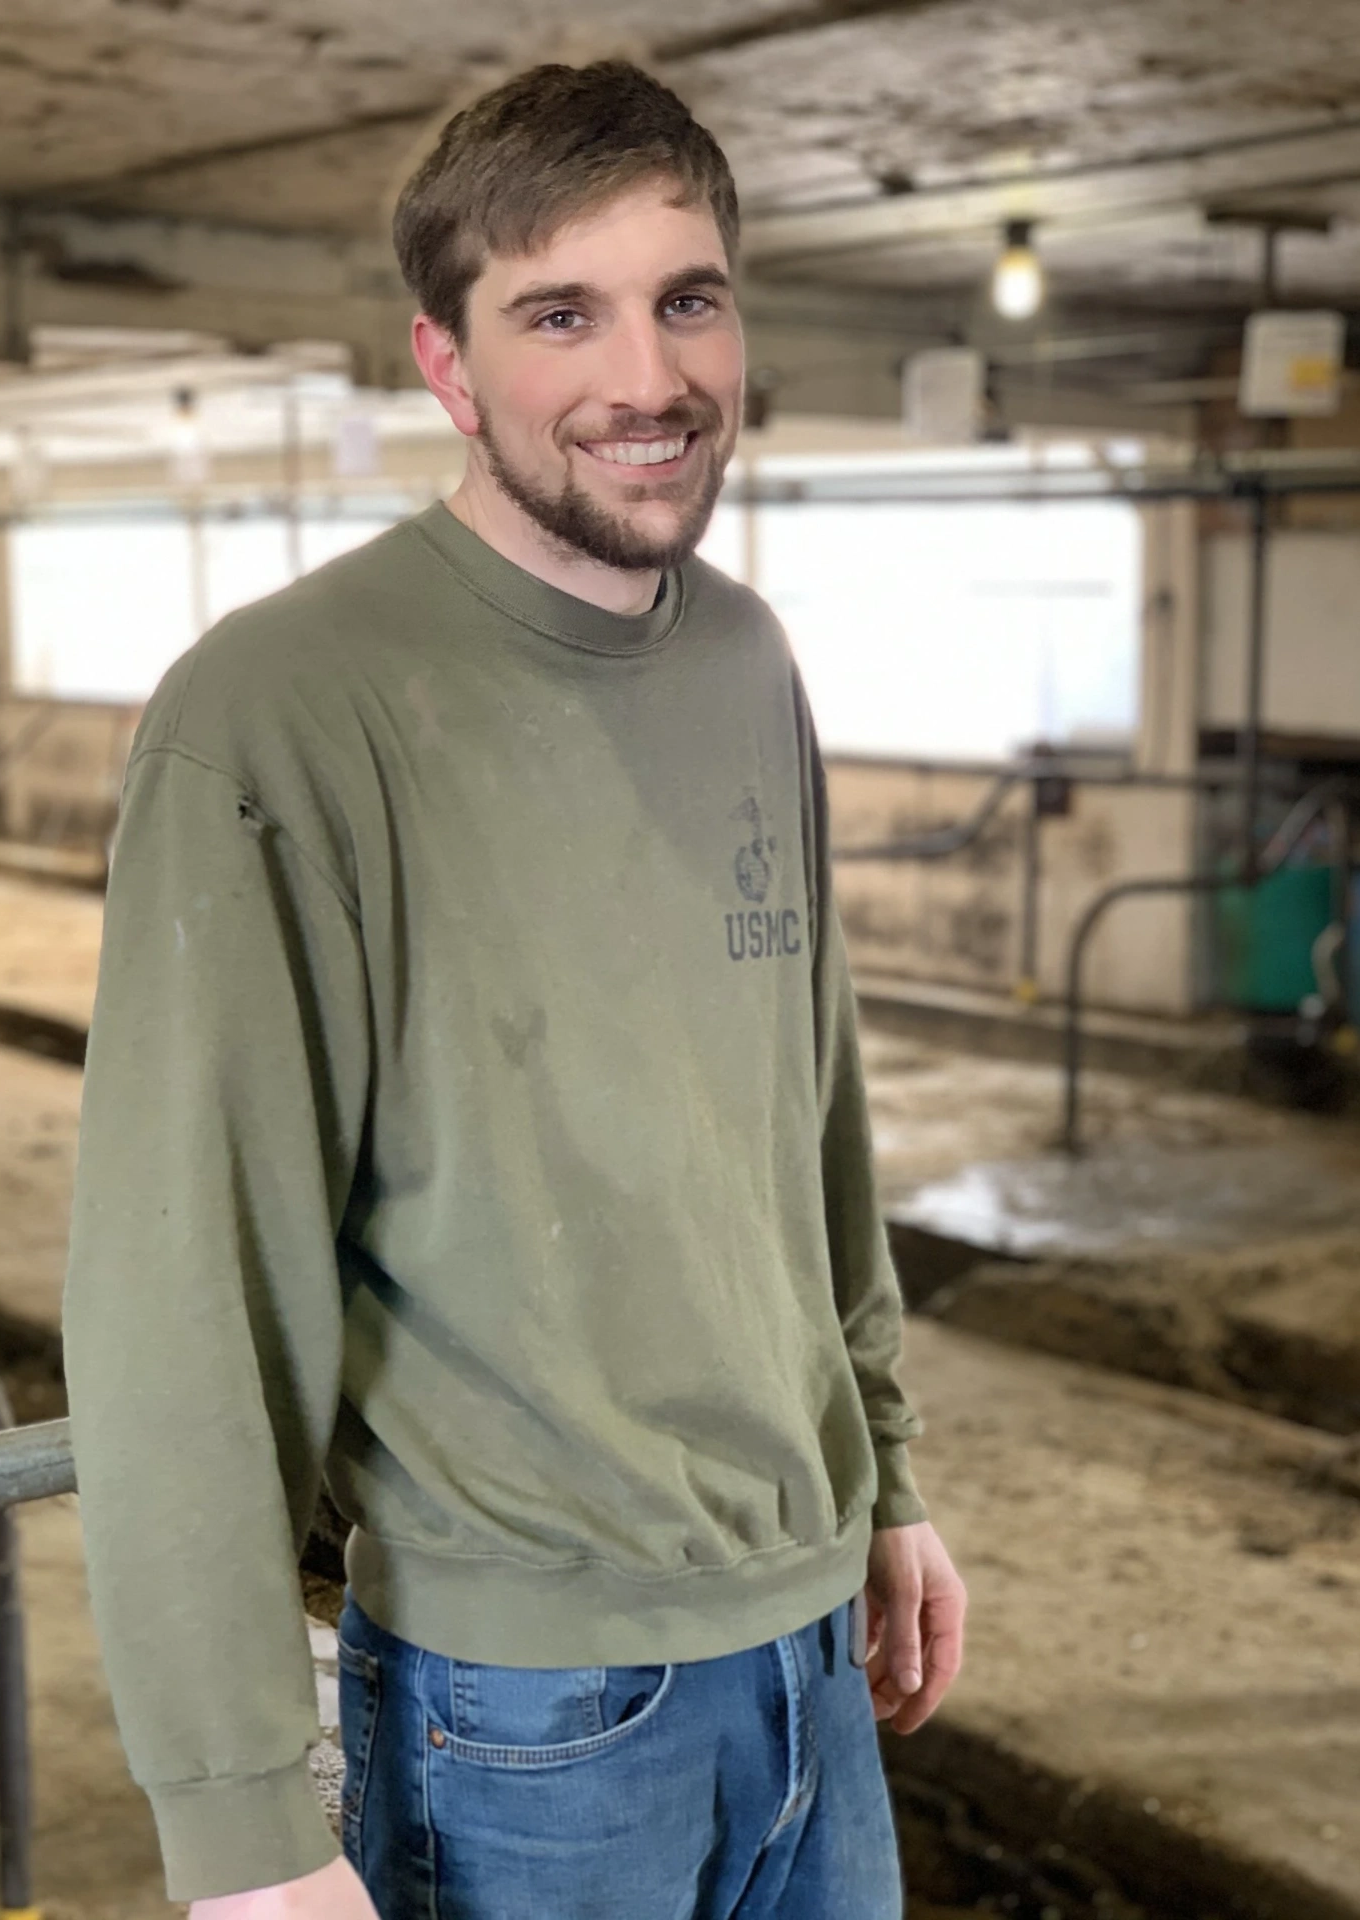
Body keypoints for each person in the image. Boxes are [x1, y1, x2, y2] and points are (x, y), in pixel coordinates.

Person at [62, 59, 967, 1920]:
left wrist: (882, 1485)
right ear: (447, 365)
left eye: (685, 299)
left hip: (809, 1656)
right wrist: (241, 1820)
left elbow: (816, 1129)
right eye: (562, 313)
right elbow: (180, 1292)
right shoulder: (280, 713)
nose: (648, 380)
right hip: (530, 1718)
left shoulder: (747, 657)